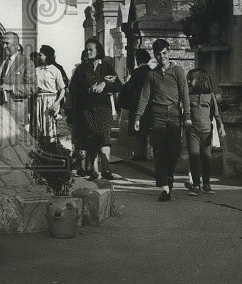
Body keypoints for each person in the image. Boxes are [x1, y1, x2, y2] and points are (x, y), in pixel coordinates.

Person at [134, 38, 190, 202]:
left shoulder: (178, 71)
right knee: (159, 152)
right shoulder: (151, 74)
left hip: (174, 116)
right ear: (154, 55)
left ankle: (169, 177)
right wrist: (138, 116)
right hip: (157, 116)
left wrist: (187, 116)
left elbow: (185, 94)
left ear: (169, 52)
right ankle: (165, 187)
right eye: (158, 54)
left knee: (175, 152)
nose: (162, 57)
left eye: (164, 53)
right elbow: (145, 97)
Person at [67, 38, 123, 180]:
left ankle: (106, 170)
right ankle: (93, 171)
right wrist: (88, 89)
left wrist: (104, 84)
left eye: (91, 49)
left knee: (104, 138)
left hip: (103, 109)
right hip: (87, 110)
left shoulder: (106, 67)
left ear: (98, 50)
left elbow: (118, 85)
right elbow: (72, 88)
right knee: (91, 139)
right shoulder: (81, 69)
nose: (88, 52)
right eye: (87, 49)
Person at [184, 68, 225, 194]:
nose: (189, 82)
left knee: (206, 158)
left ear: (201, 80)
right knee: (194, 156)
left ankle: (207, 184)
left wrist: (221, 126)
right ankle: (196, 185)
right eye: (188, 80)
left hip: (207, 131)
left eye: (191, 79)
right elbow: (185, 112)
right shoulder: (188, 96)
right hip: (192, 131)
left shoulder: (210, 96)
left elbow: (216, 113)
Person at [0, 32, 36, 130]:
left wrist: (12, 87)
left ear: (17, 45)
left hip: (16, 114)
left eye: (7, 43)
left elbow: (33, 87)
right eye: (2, 44)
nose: (4, 46)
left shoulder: (26, 63)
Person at [117, 48, 156, 161]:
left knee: (138, 130)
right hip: (149, 104)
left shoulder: (137, 72)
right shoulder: (150, 71)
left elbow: (128, 88)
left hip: (137, 103)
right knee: (146, 129)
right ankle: (148, 153)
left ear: (138, 59)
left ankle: (139, 153)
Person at [32, 45, 66, 143]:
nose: (39, 57)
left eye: (41, 55)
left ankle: (52, 149)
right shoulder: (36, 70)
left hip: (50, 100)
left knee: (49, 126)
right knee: (39, 125)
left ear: (47, 56)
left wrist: (57, 103)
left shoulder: (55, 70)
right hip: (38, 100)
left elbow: (62, 89)